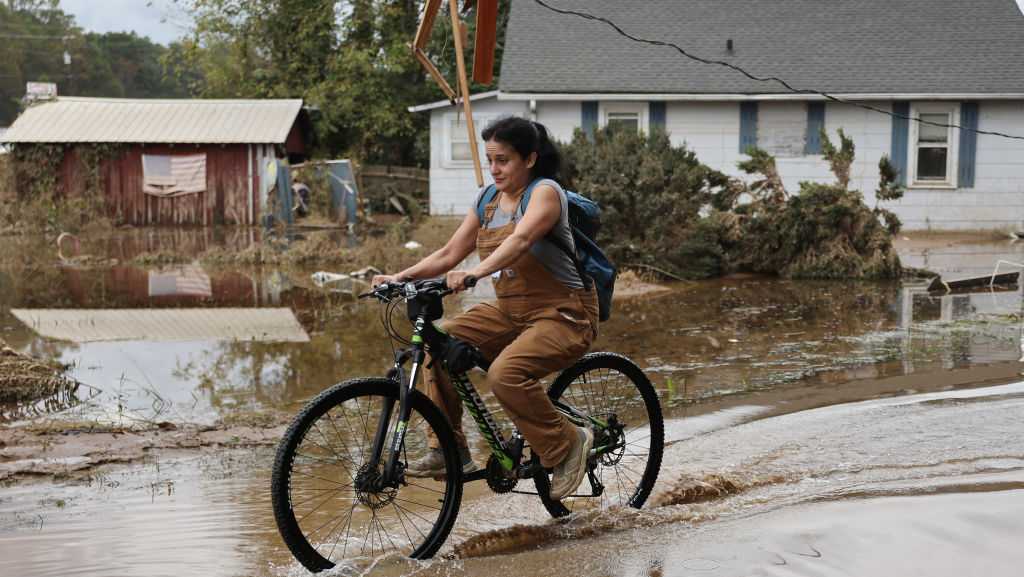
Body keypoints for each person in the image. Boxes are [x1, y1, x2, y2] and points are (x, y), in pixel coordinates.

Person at [371, 117, 599, 500]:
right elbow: (448, 253)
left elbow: (523, 238)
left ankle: (568, 444)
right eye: (490, 159)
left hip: (565, 312)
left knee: (505, 375)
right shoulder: (487, 200)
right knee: (436, 345)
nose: (494, 169)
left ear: (529, 158)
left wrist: (475, 272)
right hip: (511, 311)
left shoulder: (545, 193)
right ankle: (449, 449)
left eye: (503, 160)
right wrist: (398, 276)